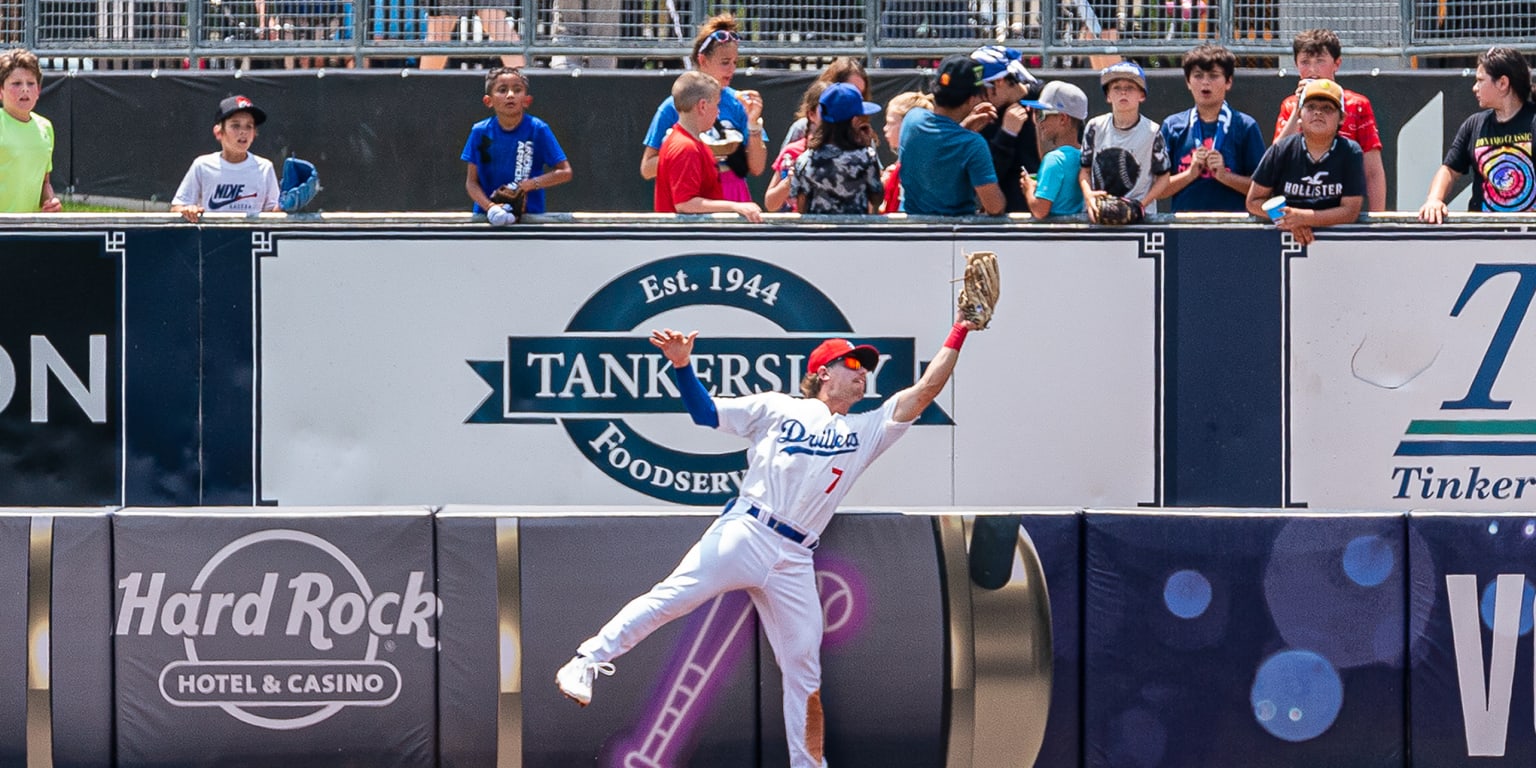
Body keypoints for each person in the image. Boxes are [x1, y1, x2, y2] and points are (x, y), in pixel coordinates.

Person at [557, 311, 987, 768]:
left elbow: (926, 391)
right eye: (854, 366)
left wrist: (959, 329)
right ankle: (585, 660)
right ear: (823, 373)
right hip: (749, 529)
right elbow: (705, 414)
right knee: (671, 598)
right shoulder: (780, 407)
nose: (863, 376)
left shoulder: (864, 431)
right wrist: (682, 365)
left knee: (804, 668)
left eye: (867, 369)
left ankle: (809, 765)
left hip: (796, 557)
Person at [640, 14, 767, 204]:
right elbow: (647, 168)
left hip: (732, 194)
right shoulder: (673, 105)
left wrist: (753, 125)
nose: (732, 69)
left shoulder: (739, 103)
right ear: (703, 60)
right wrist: (695, 154)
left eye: (735, 62)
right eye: (725, 62)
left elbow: (757, 168)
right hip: (691, 194)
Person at [1272, 28, 1386, 212]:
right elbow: (1274, 162)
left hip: (1344, 209)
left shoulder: (1357, 105)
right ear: (1296, 65)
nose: (1313, 70)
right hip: (1297, 209)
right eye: (1305, 62)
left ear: (1337, 64)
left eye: (1320, 61)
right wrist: (1298, 110)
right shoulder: (1289, 105)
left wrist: (1378, 221)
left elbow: (1373, 171)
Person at [1419, 46, 1536, 223]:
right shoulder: (1474, 124)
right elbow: (1449, 169)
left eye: (1481, 80)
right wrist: (1434, 199)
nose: (1475, 88)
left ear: (1503, 83)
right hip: (1484, 231)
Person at [1246, 78, 1365, 246]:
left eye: (1327, 108)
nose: (1318, 113)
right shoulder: (1281, 150)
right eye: (1311, 107)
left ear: (1342, 118)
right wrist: (1288, 221)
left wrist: (1302, 218)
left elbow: (1350, 211)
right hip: (1283, 242)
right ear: (1299, 114)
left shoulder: (1351, 152)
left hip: (1338, 243)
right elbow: (1254, 201)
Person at [1158, 44, 1266, 213]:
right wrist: (1190, 174)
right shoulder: (1172, 126)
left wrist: (1225, 176)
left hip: (1234, 229)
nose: (1205, 82)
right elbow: (1158, 190)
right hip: (1183, 230)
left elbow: (1262, 190)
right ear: (1188, 82)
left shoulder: (1245, 126)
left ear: (1228, 82)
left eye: (1214, 76)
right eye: (1198, 76)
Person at [897, 54, 1006, 216]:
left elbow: (939, 145)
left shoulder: (912, 120)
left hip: (911, 231)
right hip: (954, 234)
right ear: (972, 98)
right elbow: (995, 207)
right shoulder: (972, 144)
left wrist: (964, 129)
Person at [461, 67, 573, 219]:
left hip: (529, 218)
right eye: (502, 90)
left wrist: (528, 185)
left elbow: (565, 172)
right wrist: (491, 208)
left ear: (527, 100)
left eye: (517, 89)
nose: (510, 95)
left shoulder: (537, 129)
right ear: (488, 101)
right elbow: (471, 183)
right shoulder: (480, 131)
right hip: (488, 218)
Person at [653, 71, 764, 222]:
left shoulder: (691, 143)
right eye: (717, 105)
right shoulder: (685, 148)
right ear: (703, 106)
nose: (718, 112)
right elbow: (685, 204)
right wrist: (736, 207)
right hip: (687, 242)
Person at [1080, 60, 1171, 221]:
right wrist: (1089, 196)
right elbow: (1084, 170)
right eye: (1116, 88)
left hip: (1142, 219)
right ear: (1108, 96)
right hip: (1099, 215)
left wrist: (1141, 205)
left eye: (1130, 88)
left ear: (1142, 95)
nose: (1123, 93)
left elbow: (1164, 177)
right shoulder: (1095, 126)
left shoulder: (1152, 131)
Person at [171, 95, 281, 222]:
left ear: (254, 133)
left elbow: (273, 214)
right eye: (235, 126)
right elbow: (177, 207)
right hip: (212, 238)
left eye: (249, 126)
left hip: (250, 239)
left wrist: (286, 205)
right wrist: (188, 210)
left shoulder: (265, 167)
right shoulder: (202, 165)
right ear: (219, 132)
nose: (243, 132)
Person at [789, 82, 883, 214]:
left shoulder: (804, 160)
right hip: (856, 232)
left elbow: (801, 206)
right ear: (853, 119)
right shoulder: (867, 157)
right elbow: (877, 198)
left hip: (818, 233)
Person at [971, 45, 1044, 212]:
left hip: (1050, 213)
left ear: (999, 81)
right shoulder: (987, 115)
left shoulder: (1047, 99)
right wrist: (1007, 134)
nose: (979, 96)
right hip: (1006, 219)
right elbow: (987, 177)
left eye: (983, 89)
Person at [0, 48, 61, 214]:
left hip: (27, 232)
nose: (25, 89)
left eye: (31, 83)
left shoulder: (46, 127)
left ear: (38, 91)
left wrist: (51, 201)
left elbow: (44, 182)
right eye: (16, 83)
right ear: (1, 91)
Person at [1020, 81, 1089, 217]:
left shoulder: (1053, 159)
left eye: (1042, 114)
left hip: (1055, 236)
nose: (1040, 122)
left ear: (1063, 118)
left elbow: (1040, 210)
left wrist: (1028, 189)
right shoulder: (1085, 157)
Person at [777, 57, 869, 155]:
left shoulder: (861, 130)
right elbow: (783, 163)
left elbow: (873, 165)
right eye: (848, 90)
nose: (854, 98)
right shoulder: (801, 127)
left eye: (860, 94)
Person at [765, 80, 829, 213]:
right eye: (826, 109)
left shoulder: (852, 152)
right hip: (798, 230)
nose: (833, 115)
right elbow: (770, 204)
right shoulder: (792, 151)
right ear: (811, 114)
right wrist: (789, 180)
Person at [879, 91, 934, 214]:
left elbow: (902, 214)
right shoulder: (897, 169)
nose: (885, 128)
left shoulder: (912, 171)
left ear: (908, 126)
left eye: (891, 123)